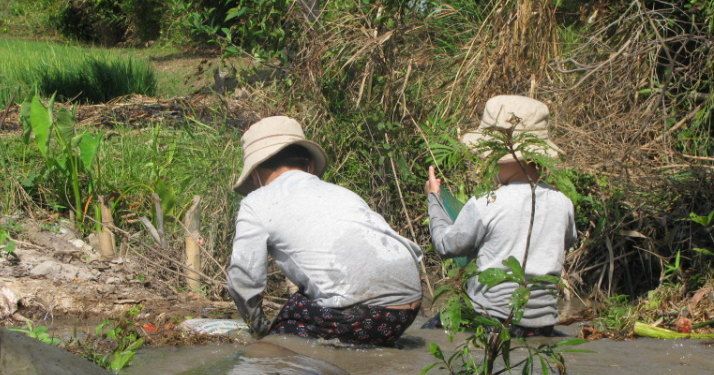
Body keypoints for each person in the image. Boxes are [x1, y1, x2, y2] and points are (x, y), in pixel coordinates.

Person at [228, 116, 423, 346]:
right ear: (310, 165)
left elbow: (243, 279)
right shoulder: (342, 193)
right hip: (408, 308)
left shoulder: (256, 202)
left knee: (274, 344)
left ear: (255, 174)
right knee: (302, 302)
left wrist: (257, 328)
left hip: (362, 316)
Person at [424, 95, 576, 336]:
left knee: (427, 332)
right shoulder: (563, 203)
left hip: (491, 319)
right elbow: (566, 242)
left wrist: (434, 198)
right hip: (542, 322)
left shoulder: (487, 203)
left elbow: (446, 246)